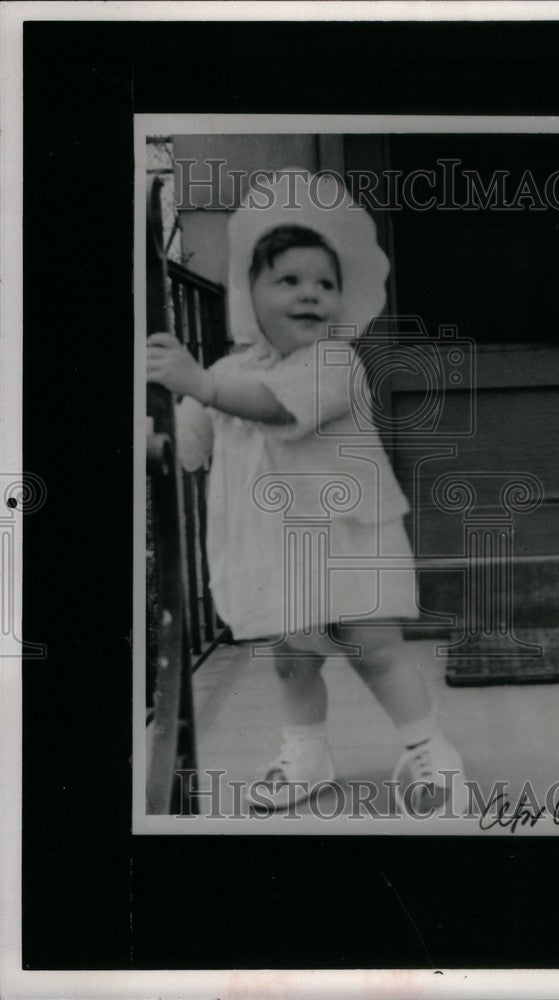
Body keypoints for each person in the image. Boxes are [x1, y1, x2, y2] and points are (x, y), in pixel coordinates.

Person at [146, 168, 463, 813]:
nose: (309, 295)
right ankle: (307, 751)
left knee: (374, 651)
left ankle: (427, 749)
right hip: (275, 551)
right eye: (288, 281)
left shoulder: (336, 363)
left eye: (324, 284)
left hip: (348, 539)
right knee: (292, 659)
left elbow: (273, 408)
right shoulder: (225, 371)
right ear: (250, 295)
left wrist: (203, 388)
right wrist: (175, 403)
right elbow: (191, 449)